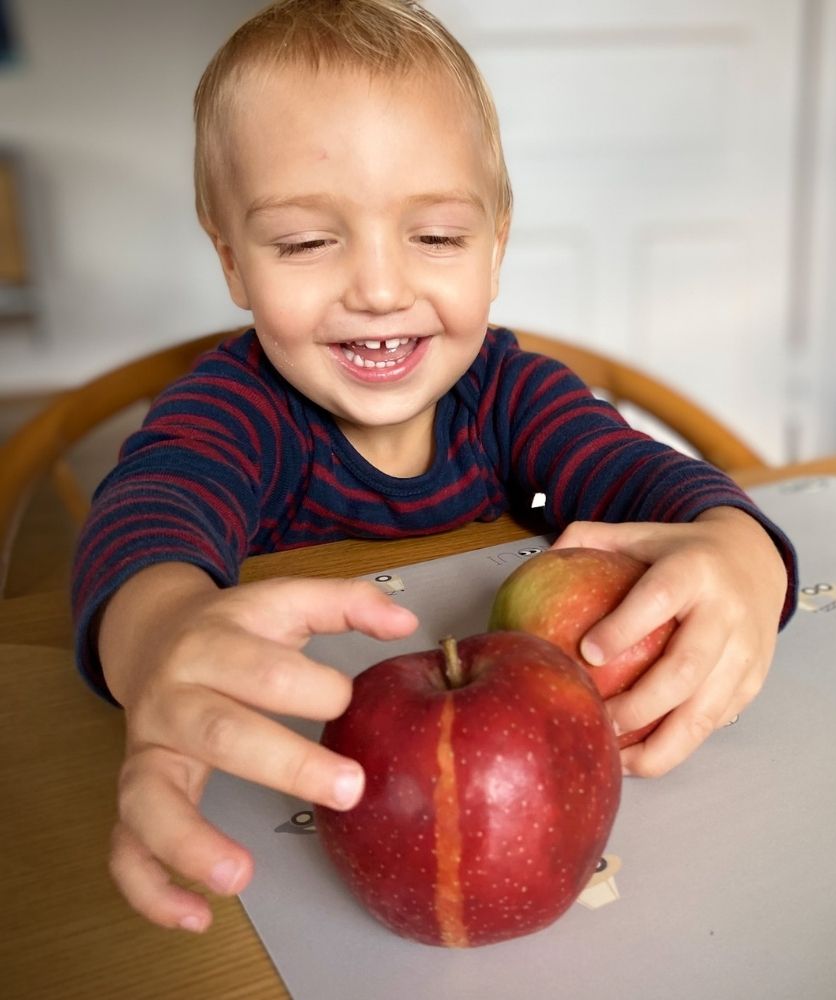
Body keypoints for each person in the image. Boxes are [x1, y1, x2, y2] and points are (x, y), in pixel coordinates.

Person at [72, 0, 797, 934]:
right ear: (232, 264)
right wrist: (161, 634)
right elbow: (147, 517)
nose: (379, 288)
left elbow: (645, 481)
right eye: (303, 242)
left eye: (438, 237)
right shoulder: (235, 411)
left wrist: (745, 551)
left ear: (496, 247)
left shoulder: (515, 401)